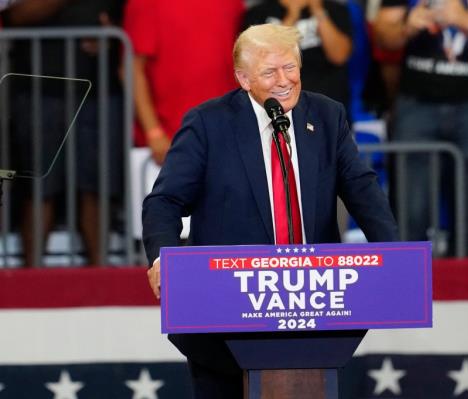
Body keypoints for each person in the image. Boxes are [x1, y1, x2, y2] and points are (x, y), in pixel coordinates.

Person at [142, 23, 399, 398]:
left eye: (290, 67)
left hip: (313, 309)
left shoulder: (327, 117)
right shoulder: (208, 123)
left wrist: (391, 253)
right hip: (223, 318)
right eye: (270, 72)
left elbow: (362, 189)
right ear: (243, 79)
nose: (284, 81)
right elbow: (164, 201)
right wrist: (164, 257)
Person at [373, 0, 468, 251]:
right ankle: (405, 285)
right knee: (409, 210)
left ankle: (464, 285)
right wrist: (407, 28)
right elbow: (383, 36)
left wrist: (467, 20)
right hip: (417, 104)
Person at [2, 0, 125, 267]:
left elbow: (129, 18)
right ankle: (32, 282)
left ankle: (102, 279)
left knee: (98, 187)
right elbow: (15, 17)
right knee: (39, 187)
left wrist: (111, 35)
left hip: (100, 89)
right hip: (39, 90)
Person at [123, 0, 245, 165]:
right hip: (169, 139)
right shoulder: (146, 3)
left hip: (228, 132)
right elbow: (132, 69)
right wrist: (153, 131)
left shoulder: (233, 3)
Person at [242, 0, 353, 113]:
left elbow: (339, 56)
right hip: (276, 108)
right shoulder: (258, 13)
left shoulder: (335, 9)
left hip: (328, 106)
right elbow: (260, 62)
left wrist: (318, 11)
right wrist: (292, 16)